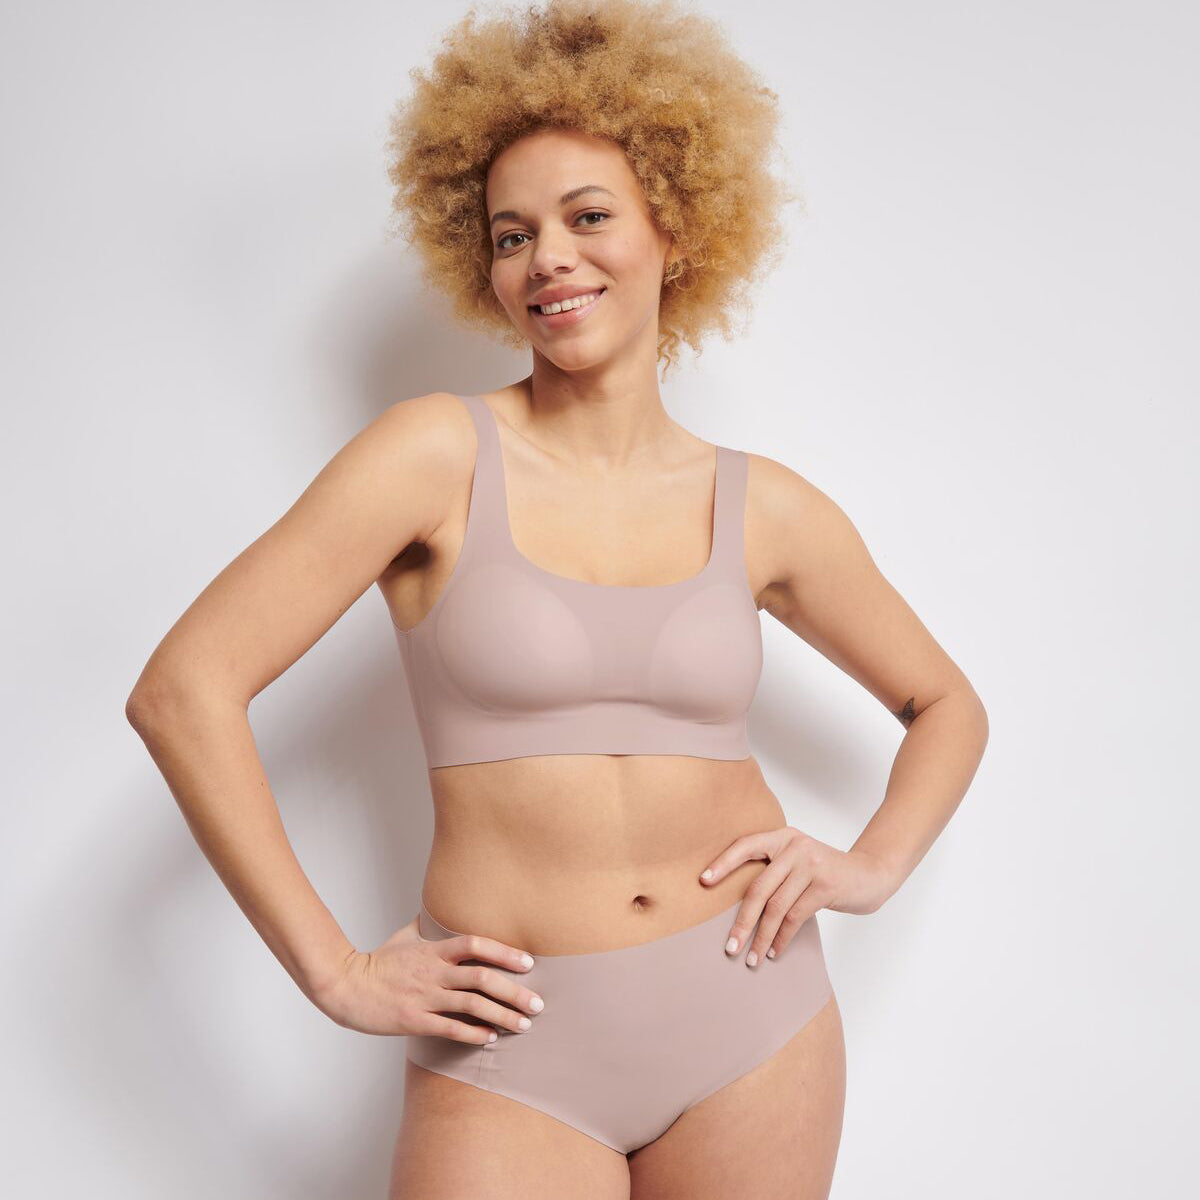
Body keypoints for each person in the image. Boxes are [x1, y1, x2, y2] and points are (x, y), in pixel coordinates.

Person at [126, 1, 989, 1196]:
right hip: (510, 1044)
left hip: (753, 1018)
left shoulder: (769, 508)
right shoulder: (431, 456)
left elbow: (947, 704)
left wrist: (874, 866)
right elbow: (183, 692)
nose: (548, 260)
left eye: (588, 217)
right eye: (512, 234)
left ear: (674, 231)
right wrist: (335, 973)